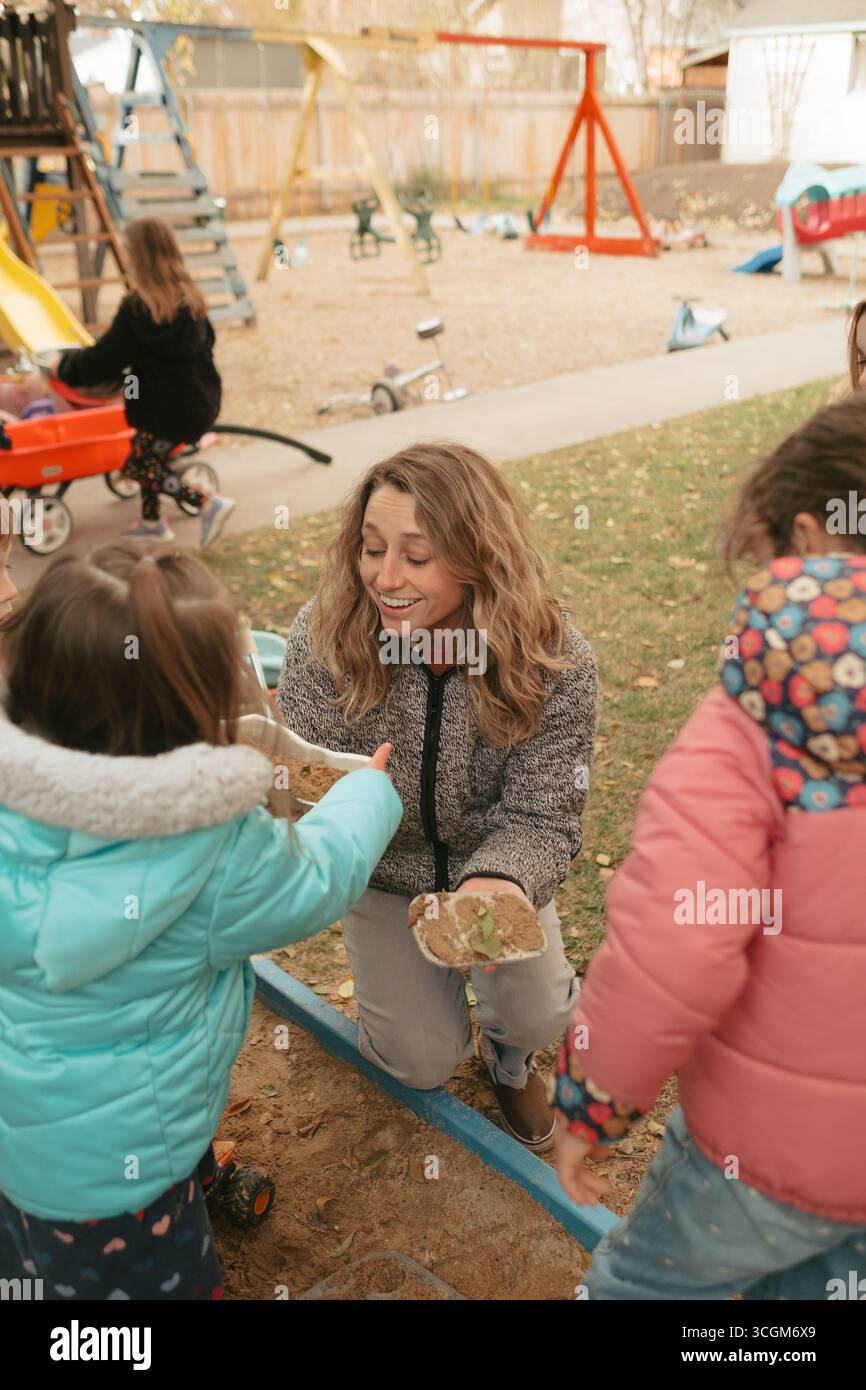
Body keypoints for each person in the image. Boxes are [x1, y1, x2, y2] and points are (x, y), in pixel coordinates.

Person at [0, 544, 402, 1300]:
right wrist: (370, 794)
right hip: (127, 1173)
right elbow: (317, 877)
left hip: (26, 1137)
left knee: (39, 1265)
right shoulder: (208, 849)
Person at [552, 394, 866, 1299]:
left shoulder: (755, 718)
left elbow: (681, 941)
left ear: (808, 533)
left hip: (762, 1157)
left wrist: (591, 1102)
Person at [278, 442, 598, 1152]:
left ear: (477, 554)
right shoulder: (325, 636)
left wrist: (497, 886)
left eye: (416, 558)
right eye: (370, 549)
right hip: (384, 874)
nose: (384, 578)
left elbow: (543, 817)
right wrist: (333, 805)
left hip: (494, 878)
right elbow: (307, 791)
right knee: (420, 1064)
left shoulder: (554, 659)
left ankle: (509, 1059)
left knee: (541, 1013)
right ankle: (434, 1027)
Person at [54, 217, 232, 548]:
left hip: (163, 411)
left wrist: (64, 367)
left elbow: (104, 359)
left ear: (139, 256)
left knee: (137, 466)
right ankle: (152, 522)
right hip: (197, 401)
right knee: (149, 455)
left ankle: (208, 503)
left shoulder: (138, 308)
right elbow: (204, 349)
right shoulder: (191, 299)